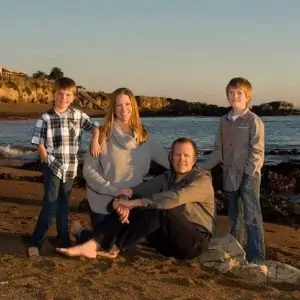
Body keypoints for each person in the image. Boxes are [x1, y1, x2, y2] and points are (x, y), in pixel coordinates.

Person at [57, 138, 215, 260]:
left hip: (193, 243)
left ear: (194, 160)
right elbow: (141, 189)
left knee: (160, 210)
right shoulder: (168, 177)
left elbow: (174, 198)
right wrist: (126, 197)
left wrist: (134, 203)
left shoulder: (202, 180)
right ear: (171, 157)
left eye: (186, 155)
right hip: (165, 243)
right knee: (140, 207)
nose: (182, 159)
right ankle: (87, 239)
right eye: (177, 155)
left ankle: (113, 246)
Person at [71, 87, 170, 244]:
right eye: (119, 105)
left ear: (133, 107)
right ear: (113, 109)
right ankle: (79, 230)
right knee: (107, 245)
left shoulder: (143, 136)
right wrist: (116, 192)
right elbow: (89, 171)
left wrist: (194, 170)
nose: (124, 109)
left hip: (132, 202)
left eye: (128, 104)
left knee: (125, 244)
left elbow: (170, 160)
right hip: (105, 201)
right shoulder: (102, 135)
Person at [28, 77, 100, 257]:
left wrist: (95, 140)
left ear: (73, 97)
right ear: (54, 95)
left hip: (70, 168)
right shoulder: (46, 117)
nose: (64, 98)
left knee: (64, 205)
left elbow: (96, 126)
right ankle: (36, 241)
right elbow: (38, 140)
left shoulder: (77, 115)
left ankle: (64, 238)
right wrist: (43, 154)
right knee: (50, 204)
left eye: (68, 95)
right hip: (52, 165)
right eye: (60, 94)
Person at [198, 77, 265, 264]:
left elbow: (257, 150)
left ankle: (257, 258)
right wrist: (200, 168)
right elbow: (218, 151)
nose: (234, 96)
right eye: (231, 93)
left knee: (252, 217)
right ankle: (237, 252)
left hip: (248, 176)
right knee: (235, 216)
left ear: (247, 97)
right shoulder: (223, 121)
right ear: (227, 96)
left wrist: (249, 172)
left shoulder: (253, 121)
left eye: (239, 93)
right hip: (230, 175)